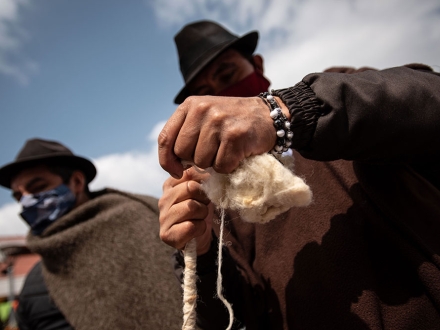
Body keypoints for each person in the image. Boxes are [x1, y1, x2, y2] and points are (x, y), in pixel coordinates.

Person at [158, 20, 440, 329]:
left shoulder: (336, 100)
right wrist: (202, 251)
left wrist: (284, 113)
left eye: (228, 76)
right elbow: (233, 316)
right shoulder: (218, 200)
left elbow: (427, 97)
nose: (220, 99)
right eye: (205, 94)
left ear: (257, 64)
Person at [0, 138, 182, 330]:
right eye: (19, 196)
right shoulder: (35, 283)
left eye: (37, 188)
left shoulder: (144, 220)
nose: (27, 201)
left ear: (77, 181)